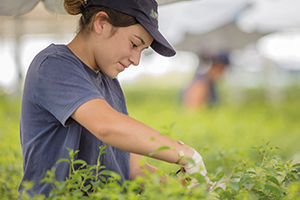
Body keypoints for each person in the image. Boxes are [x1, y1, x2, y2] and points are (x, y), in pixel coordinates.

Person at [19, 0, 209, 197]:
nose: (136, 60)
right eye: (134, 44)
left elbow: (135, 168)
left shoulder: (109, 83)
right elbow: (107, 126)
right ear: (101, 23)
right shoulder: (53, 65)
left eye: (142, 51)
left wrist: (185, 193)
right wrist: (185, 154)